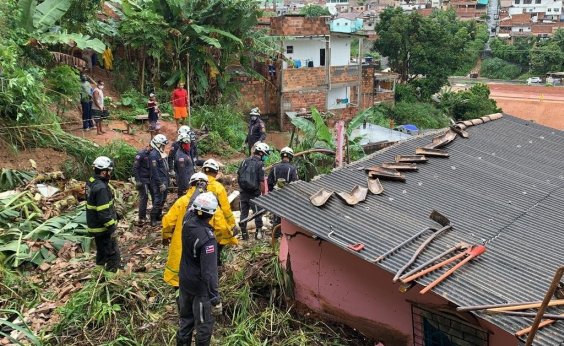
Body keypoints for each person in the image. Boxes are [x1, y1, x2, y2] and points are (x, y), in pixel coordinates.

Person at [177, 192, 222, 346]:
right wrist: (215, 299)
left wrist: (198, 190)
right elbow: (209, 273)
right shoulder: (208, 239)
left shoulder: (187, 221)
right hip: (200, 290)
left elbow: (190, 205)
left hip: (184, 282)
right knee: (203, 328)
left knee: (185, 322)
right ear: (212, 213)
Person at [162, 172, 209, 287]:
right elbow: (218, 223)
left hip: (180, 240)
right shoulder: (208, 202)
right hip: (201, 241)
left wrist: (166, 236)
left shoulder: (182, 201)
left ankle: (178, 290)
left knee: (177, 264)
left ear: (190, 185)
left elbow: (168, 222)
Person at [85, 156, 122, 272]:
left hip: (95, 226)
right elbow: (103, 213)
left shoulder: (91, 182)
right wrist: (112, 227)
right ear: (103, 172)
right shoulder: (101, 188)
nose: (110, 174)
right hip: (103, 228)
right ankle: (112, 279)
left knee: (101, 253)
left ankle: (98, 274)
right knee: (112, 254)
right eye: (109, 171)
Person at [201, 159, 238, 264]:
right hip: (215, 220)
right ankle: (215, 263)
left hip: (197, 220)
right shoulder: (218, 187)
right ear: (216, 172)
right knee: (218, 241)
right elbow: (226, 208)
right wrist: (232, 224)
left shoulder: (196, 184)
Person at [237, 143, 269, 240]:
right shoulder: (260, 164)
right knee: (257, 213)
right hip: (254, 194)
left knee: (243, 213)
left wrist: (242, 188)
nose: (265, 157)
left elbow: (238, 176)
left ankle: (244, 234)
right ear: (261, 153)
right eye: (265, 155)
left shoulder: (244, 161)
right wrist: (263, 194)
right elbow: (262, 181)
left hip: (243, 192)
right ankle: (258, 234)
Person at [267, 147, 298, 233]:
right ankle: (285, 234)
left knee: (276, 216)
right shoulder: (292, 169)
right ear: (291, 157)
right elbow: (295, 184)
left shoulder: (274, 167)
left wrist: (272, 192)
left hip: (275, 196)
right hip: (288, 197)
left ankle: (275, 236)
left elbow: (269, 182)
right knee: (287, 216)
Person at [149, 134, 170, 226]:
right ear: (158, 144)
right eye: (162, 145)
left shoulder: (159, 153)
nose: (164, 147)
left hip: (164, 179)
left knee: (163, 199)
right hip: (158, 181)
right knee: (158, 200)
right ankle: (153, 219)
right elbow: (154, 171)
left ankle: (158, 215)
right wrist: (160, 184)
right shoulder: (153, 155)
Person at [133, 144, 153, 226]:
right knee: (144, 197)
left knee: (154, 195)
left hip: (150, 179)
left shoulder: (152, 154)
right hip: (142, 179)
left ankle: (153, 215)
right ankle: (141, 217)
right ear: (148, 146)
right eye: (150, 147)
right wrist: (138, 180)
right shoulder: (141, 154)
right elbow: (135, 167)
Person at [174, 133, 195, 198]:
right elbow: (182, 174)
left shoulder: (185, 152)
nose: (188, 145)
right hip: (185, 185)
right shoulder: (181, 157)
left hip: (189, 181)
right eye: (186, 144)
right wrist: (186, 187)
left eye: (189, 143)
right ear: (181, 144)